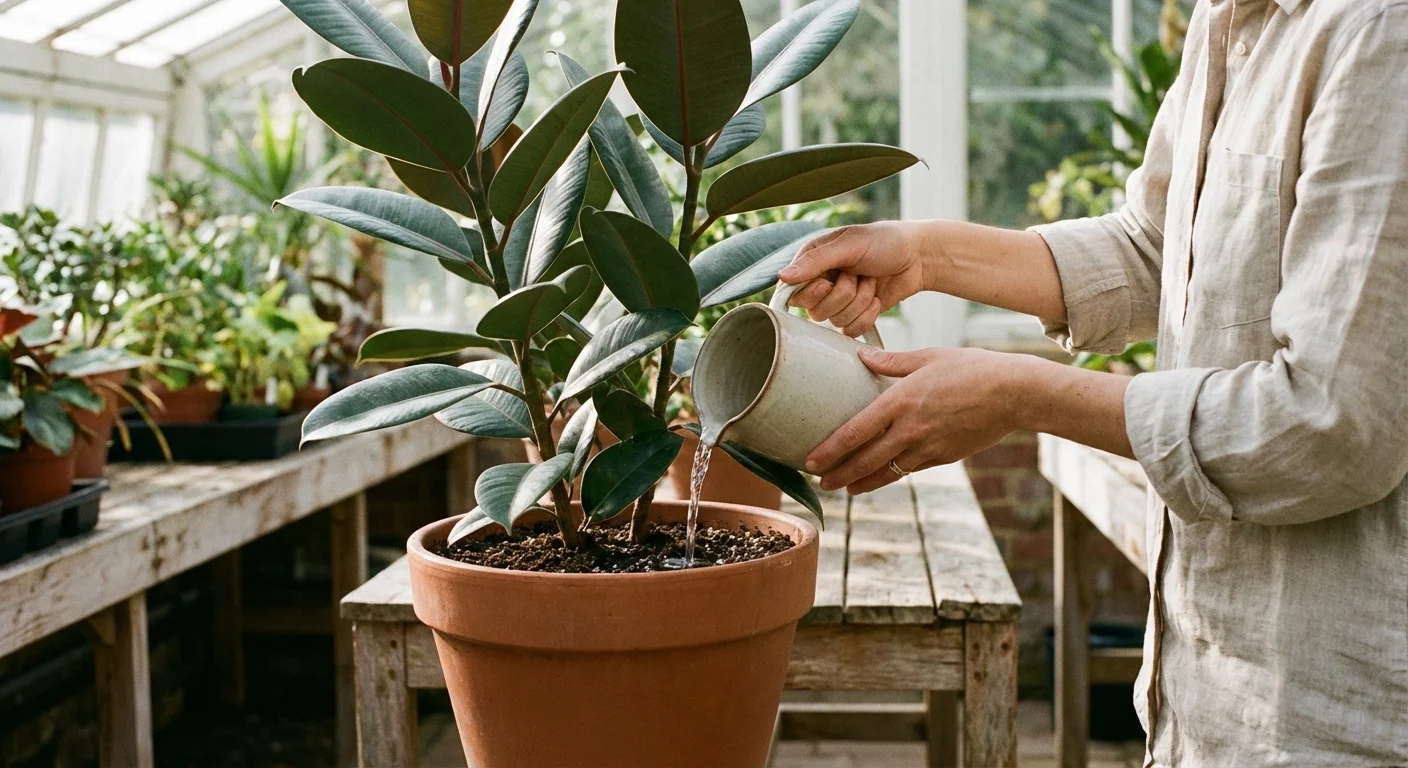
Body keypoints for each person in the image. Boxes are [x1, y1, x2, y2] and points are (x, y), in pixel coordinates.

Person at [779, 0, 1408, 764]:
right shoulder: (1227, 20)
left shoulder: (1379, 35)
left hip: (1336, 715)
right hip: (1207, 701)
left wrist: (1022, 394)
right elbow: (1155, 247)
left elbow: (1332, 423)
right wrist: (925, 256)